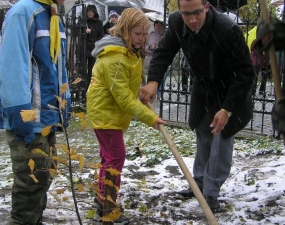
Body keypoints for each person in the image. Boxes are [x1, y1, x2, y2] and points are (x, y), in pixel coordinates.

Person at [140, 0, 255, 211]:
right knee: (203, 133)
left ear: (207, 7)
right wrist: (154, 81)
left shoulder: (227, 29)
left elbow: (246, 72)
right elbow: (164, 52)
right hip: (203, 88)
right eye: (186, 14)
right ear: (179, 11)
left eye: (197, 13)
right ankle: (199, 183)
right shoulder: (176, 22)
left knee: (220, 138)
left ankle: (211, 193)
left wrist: (227, 110)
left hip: (229, 90)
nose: (192, 19)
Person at [87, 8, 166, 223]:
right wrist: (151, 119)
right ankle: (108, 209)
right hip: (105, 113)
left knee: (109, 158)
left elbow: (125, 86)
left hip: (111, 112)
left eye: (144, 34)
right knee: (115, 157)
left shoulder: (129, 52)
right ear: (125, 30)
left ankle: (102, 197)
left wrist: (138, 91)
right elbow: (122, 98)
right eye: (137, 33)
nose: (141, 39)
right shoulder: (116, 58)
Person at [0, 0, 71, 224]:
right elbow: (13, 66)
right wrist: (22, 116)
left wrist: (64, 104)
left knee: (43, 176)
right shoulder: (23, 12)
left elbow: (58, 66)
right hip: (29, 119)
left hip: (47, 117)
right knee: (29, 183)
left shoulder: (52, 15)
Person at [85, 4, 104, 89]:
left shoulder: (99, 22)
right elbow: (76, 33)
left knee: (92, 68)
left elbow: (101, 35)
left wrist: (96, 43)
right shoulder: (83, 21)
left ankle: (91, 86)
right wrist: (84, 31)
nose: (90, 13)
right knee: (82, 68)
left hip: (94, 47)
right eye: (88, 11)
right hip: (84, 47)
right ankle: (83, 85)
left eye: (91, 12)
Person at [142, 20, 164, 88]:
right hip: (149, 59)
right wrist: (150, 48)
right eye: (156, 25)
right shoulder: (150, 35)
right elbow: (144, 47)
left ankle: (160, 93)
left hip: (160, 59)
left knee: (160, 77)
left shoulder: (164, 35)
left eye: (159, 25)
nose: (157, 27)